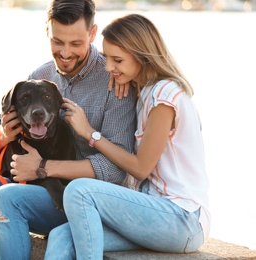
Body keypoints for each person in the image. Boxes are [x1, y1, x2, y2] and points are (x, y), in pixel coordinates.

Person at [0, 1, 136, 259]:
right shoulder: (41, 74)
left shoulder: (114, 80)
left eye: (76, 43)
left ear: (93, 34)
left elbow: (117, 170)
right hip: (42, 190)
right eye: (57, 41)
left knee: (8, 198)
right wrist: (3, 134)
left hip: (86, 201)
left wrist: (42, 167)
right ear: (47, 32)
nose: (65, 53)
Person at [44, 13, 211, 259]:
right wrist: (125, 77)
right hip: (151, 212)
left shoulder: (165, 95)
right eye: (106, 57)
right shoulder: (144, 90)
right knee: (62, 236)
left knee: (80, 191)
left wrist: (90, 133)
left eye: (117, 60)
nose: (108, 67)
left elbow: (141, 168)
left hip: (182, 218)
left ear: (141, 57)